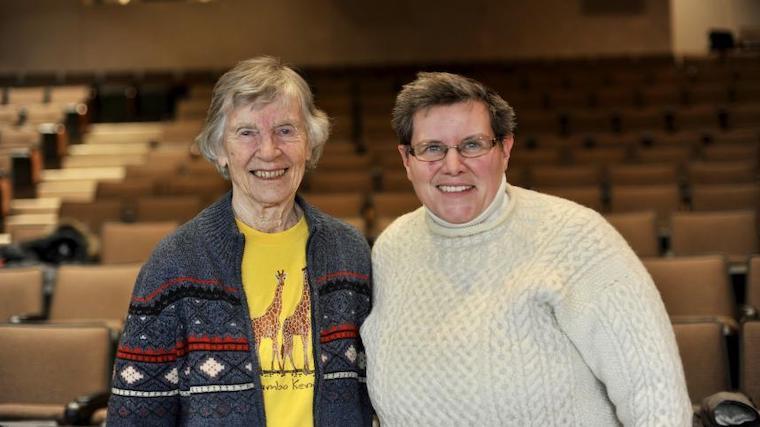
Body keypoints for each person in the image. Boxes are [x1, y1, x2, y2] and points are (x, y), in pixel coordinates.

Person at [360, 72, 692, 425]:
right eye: (432, 149)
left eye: (472, 145)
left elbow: (655, 393)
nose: (453, 165)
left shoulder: (576, 237)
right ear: (406, 159)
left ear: (505, 149)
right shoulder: (391, 248)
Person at [107, 57, 373, 426]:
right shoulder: (175, 263)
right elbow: (135, 416)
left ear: (309, 144)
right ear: (219, 149)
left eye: (286, 130)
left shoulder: (351, 253)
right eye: (247, 132)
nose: (269, 151)